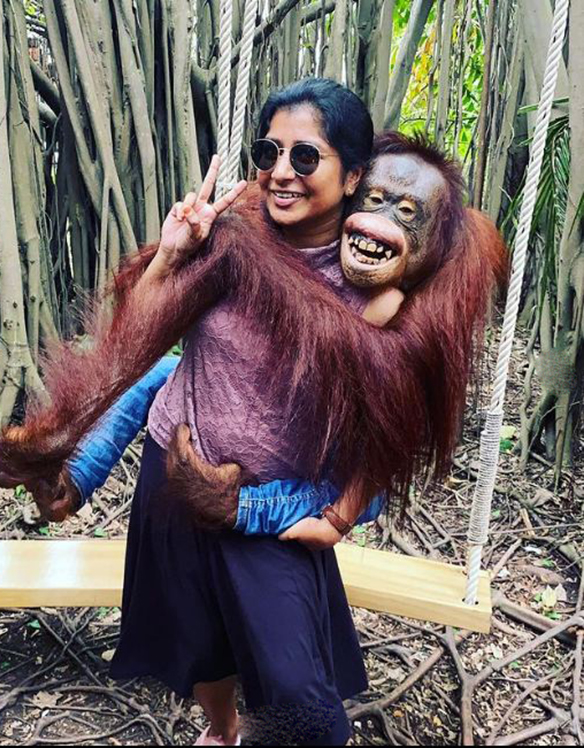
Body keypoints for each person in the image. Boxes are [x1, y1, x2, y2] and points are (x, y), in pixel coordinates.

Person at [35, 79, 396, 746]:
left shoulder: (374, 279)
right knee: (197, 641)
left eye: (305, 157)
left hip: (269, 509)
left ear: (353, 176)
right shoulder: (228, 236)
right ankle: (222, 730)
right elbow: (141, 344)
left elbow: (388, 437)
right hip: (172, 476)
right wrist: (174, 253)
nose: (281, 172)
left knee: (298, 695)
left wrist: (338, 515)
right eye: (269, 152)